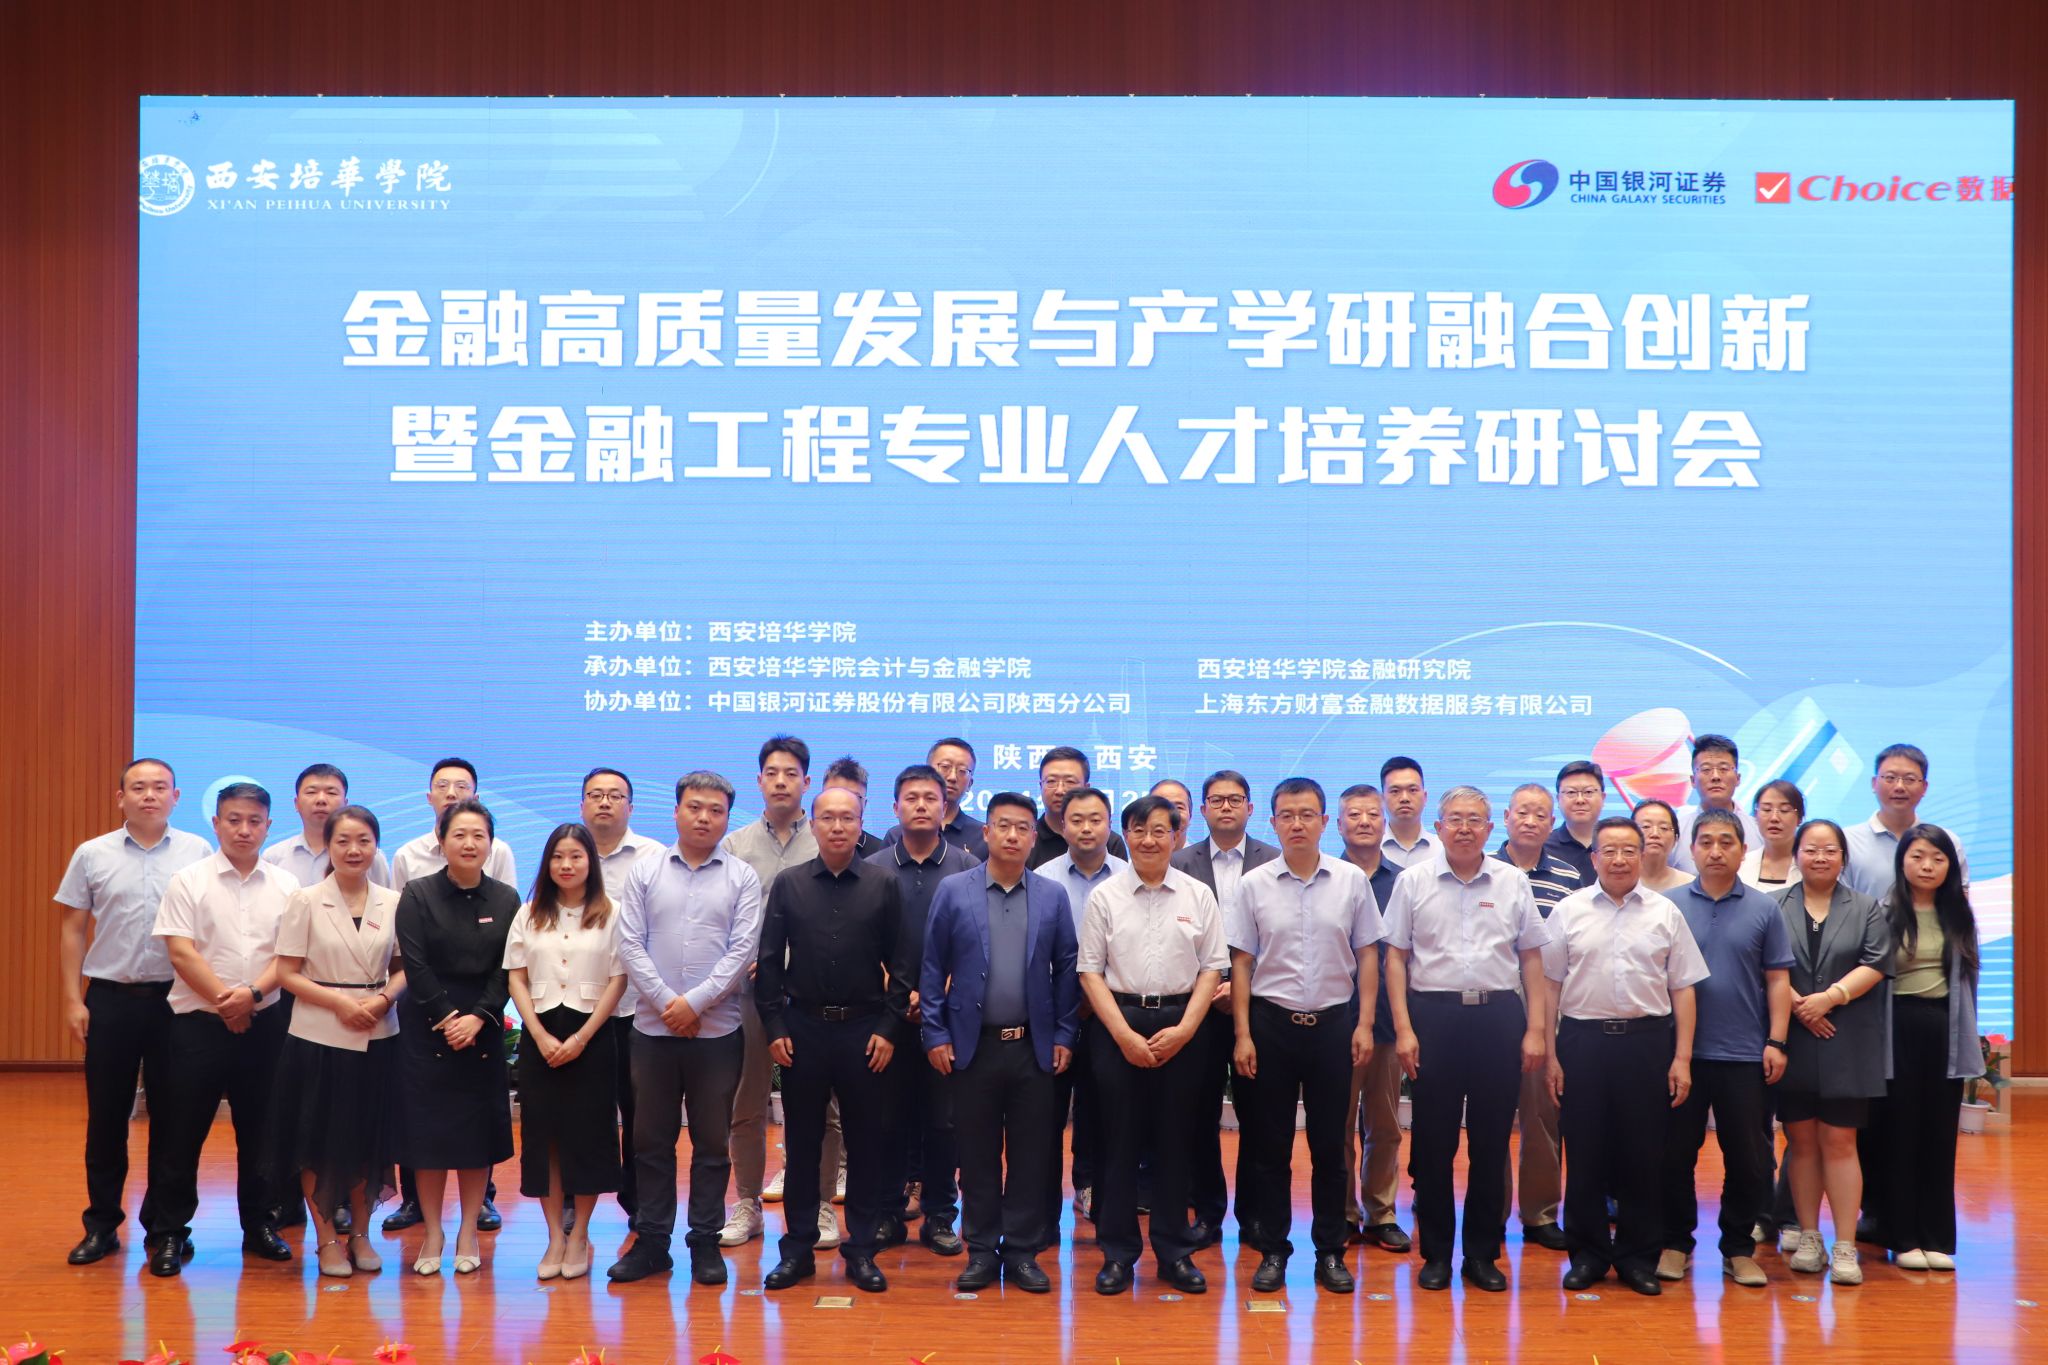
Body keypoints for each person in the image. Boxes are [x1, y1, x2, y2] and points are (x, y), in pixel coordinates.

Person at [1382, 787, 1550, 1293]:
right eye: (1455, 819)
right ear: (1438, 826)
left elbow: (1531, 957)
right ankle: (1435, 1254)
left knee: (1491, 1141)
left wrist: (1535, 1029)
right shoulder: (1413, 881)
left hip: (1498, 1017)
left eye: (1475, 820)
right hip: (1433, 1017)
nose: (1464, 828)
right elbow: (1395, 958)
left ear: (1489, 828)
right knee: (1433, 1144)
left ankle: (1481, 1254)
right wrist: (1404, 1028)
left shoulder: (1512, 881)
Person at [755, 786, 916, 1294]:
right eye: (828, 818)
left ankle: (862, 1249)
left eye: (848, 818)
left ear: (861, 822)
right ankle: (798, 1250)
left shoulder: (884, 884)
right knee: (803, 1146)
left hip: (865, 1031)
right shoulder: (790, 884)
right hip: (801, 1030)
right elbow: (768, 961)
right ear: (814, 823)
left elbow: (904, 965)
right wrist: (775, 1027)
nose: (838, 826)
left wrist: (889, 1029)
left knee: (866, 1145)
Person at [54, 757, 211, 1267]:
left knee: (174, 1118)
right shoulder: (92, 853)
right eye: (138, 787)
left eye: (159, 787)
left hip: (177, 1002)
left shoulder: (197, 851)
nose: (149, 795)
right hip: (111, 999)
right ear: (120, 797)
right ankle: (101, 1225)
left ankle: (167, 1230)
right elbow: (73, 929)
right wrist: (73, 999)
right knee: (106, 1117)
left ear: (176, 796)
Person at [921, 791, 1080, 1293]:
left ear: (1035, 837)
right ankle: (981, 1251)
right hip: (973, 1047)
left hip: (1033, 1047)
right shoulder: (954, 891)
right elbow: (932, 967)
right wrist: (935, 1032)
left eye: (1023, 828)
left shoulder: (1052, 895)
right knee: (977, 1155)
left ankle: (1023, 1251)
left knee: (1032, 1156)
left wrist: (1065, 1034)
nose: (1013, 836)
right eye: (1003, 826)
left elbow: (1067, 970)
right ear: (986, 832)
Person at [1544, 818, 1709, 1297]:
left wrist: (1682, 1058)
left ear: (1643, 855)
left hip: (1647, 1043)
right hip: (1583, 1043)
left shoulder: (1665, 912)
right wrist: (1551, 1054)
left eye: (1628, 851)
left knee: (1644, 1154)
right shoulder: (1569, 910)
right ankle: (1588, 1255)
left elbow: (1683, 989)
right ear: (1594, 858)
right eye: (1609, 851)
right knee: (1585, 1152)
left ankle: (1638, 1257)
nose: (1619, 860)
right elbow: (1549, 986)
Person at [1229, 777, 1382, 1295]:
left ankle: (1330, 1252)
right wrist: (1243, 1034)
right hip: (1271, 1026)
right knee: (1270, 1147)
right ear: (1272, 822)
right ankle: (1273, 1249)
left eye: (1307, 814)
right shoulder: (1253, 885)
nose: (1297, 823)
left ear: (1324, 822)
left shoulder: (1350, 881)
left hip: (1334, 1027)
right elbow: (1241, 963)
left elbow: (1368, 954)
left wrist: (1364, 1024)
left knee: (1329, 1147)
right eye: (1287, 815)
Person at [609, 772, 762, 1286]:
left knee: (712, 1143)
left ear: (727, 818)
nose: (704, 817)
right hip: (653, 1032)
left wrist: (693, 1004)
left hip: (717, 1033)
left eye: (716, 810)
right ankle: (653, 1242)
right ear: (676, 811)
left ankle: (704, 1243)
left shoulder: (742, 877)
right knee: (649, 1141)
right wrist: (668, 1004)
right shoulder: (645, 871)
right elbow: (630, 943)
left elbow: (742, 951)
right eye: (695, 807)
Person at [150, 781, 300, 1276]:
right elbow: (181, 951)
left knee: (262, 1131)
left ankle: (260, 1225)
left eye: (254, 821)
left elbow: (289, 957)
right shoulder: (189, 880)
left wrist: (250, 997)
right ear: (215, 823)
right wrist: (226, 1002)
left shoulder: (286, 886)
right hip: (198, 1025)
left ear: (268, 826)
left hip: (265, 1023)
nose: (243, 829)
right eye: (234, 820)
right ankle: (170, 1233)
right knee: (180, 1132)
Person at [1078, 795, 1226, 1296]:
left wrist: (1185, 1030)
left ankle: (1173, 1251)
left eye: (1160, 830)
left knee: (1175, 1141)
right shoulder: (1105, 896)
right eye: (1138, 830)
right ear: (1125, 835)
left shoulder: (1198, 894)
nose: (1148, 840)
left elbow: (1212, 968)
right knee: (1117, 1142)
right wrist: (1122, 1034)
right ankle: (1118, 1254)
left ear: (1176, 836)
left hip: (1182, 1024)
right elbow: (1089, 972)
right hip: (1118, 1021)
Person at [1657, 809, 1794, 1289]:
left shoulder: (1764, 908)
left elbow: (1778, 980)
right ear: (1692, 849)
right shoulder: (1667, 906)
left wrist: (1776, 1040)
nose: (1716, 851)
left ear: (1742, 849)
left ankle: (1738, 1248)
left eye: (1726, 842)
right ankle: (1675, 1243)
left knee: (1749, 1159)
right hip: (1681, 1055)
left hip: (1745, 1054)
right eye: (1706, 842)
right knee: (1674, 1155)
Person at [269, 804, 405, 1278]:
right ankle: (326, 1239)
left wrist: (384, 999)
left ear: (376, 846)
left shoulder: (393, 901)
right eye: (343, 840)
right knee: (318, 1141)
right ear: (327, 845)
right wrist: (340, 1004)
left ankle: (361, 1235)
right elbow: (286, 973)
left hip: (378, 1031)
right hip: (318, 1034)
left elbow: (403, 967)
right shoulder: (305, 899)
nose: (353, 850)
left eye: (363, 840)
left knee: (368, 1140)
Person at [384, 756, 515, 1234]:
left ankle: (469, 1227)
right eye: (459, 834)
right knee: (426, 1130)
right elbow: (414, 964)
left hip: (482, 1023)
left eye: (479, 835)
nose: (469, 843)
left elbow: (507, 965)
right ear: (441, 840)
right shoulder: (418, 893)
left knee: (478, 1130)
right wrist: (448, 1017)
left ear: (491, 843)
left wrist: (478, 1017)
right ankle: (432, 1229)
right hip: (427, 1023)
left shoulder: (506, 898)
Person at [720, 735, 838, 1252]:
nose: (781, 781)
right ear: (760, 780)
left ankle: (821, 1205)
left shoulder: (828, 838)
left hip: (814, 994)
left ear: (807, 782)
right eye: (772, 772)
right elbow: (725, 918)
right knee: (746, 1103)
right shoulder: (736, 845)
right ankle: (747, 1203)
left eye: (791, 773)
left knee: (823, 1108)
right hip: (751, 993)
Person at [1770, 819, 1892, 1286]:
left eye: (1830, 850)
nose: (1820, 857)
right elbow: (1764, 966)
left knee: (1840, 1142)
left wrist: (1829, 998)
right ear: (1796, 855)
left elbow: (1876, 962)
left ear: (1843, 857)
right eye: (1811, 849)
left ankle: (1844, 1245)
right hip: (1793, 1038)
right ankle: (1808, 1235)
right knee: (1800, 1142)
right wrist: (1801, 1006)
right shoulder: (1772, 905)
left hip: (1847, 1037)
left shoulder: (1865, 907)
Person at [504, 824, 628, 1281]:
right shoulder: (529, 912)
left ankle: (580, 1237)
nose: (567, 865)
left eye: (576, 856)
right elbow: (516, 976)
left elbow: (619, 979)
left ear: (590, 862)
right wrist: (536, 1034)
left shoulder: (612, 912)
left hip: (591, 1036)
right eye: (558, 857)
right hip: (541, 1035)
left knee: (588, 1137)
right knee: (545, 1139)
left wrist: (582, 1038)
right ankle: (555, 1236)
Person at [866, 764, 980, 1256]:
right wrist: (897, 992)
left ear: (944, 807)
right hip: (887, 1017)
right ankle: (888, 1215)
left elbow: (973, 940)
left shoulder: (967, 868)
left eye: (929, 798)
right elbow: (864, 939)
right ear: (895, 807)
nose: (920, 805)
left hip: (947, 1017)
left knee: (943, 1122)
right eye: (910, 797)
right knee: (887, 1120)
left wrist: (935, 991)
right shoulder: (873, 866)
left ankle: (939, 1216)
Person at [1173, 768, 1278, 1250]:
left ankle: (1254, 1217)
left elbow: (1282, 939)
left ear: (1251, 809)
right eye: (1217, 800)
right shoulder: (1180, 862)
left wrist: (1241, 985)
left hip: (1260, 1007)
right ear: (1202, 809)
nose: (1227, 807)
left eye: (1236, 799)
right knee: (1199, 1116)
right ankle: (1208, 1213)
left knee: (1259, 1116)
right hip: (1199, 1008)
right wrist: (1212, 985)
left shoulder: (1274, 860)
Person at [1869, 825, 1980, 1272]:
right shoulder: (1884, 912)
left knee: (1939, 1135)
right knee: (1899, 1134)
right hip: (1896, 1029)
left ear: (1950, 865)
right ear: (1902, 861)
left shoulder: (1959, 914)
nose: (1928, 866)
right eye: (1918, 856)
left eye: (1938, 858)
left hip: (1945, 1030)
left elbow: (1969, 984)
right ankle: (1902, 1237)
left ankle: (1936, 1238)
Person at [1494, 783, 1585, 1253]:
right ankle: (1490, 1210)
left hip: (1547, 1005)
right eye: (1522, 812)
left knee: (1543, 1113)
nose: (1530, 821)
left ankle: (1540, 1213)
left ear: (1552, 824)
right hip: (1491, 1005)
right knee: (1489, 1116)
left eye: (1540, 815)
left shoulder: (1570, 875)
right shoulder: (1483, 869)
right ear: (1506, 817)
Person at [1036, 785, 1127, 1237]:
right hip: (1054, 1012)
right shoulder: (1043, 878)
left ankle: (1094, 1193)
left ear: (1109, 825)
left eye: (1095, 820)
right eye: (1077, 820)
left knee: (1102, 1111)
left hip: (1112, 1014)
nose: (1086, 828)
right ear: (1062, 825)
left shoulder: (1129, 876)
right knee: (1046, 1115)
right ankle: (1042, 1209)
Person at [577, 767, 664, 1228]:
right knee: (583, 1109)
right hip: (578, 1005)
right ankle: (575, 1201)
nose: (605, 802)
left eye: (615, 795)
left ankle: (639, 1202)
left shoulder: (653, 856)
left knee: (640, 1113)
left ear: (631, 806)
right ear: (582, 805)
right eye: (596, 795)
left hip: (636, 1006)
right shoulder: (567, 854)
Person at [1335, 784, 1409, 1253]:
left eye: (1372, 814)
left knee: (1384, 1125)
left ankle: (1381, 1213)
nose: (1364, 822)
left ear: (1384, 823)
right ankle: (1343, 1213)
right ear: (1338, 823)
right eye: (1354, 814)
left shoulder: (1404, 881)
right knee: (1338, 1124)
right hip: (1336, 1023)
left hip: (1387, 1023)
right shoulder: (1328, 877)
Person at [1844, 744, 1970, 897]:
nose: (1899, 787)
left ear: (1924, 787)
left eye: (1910, 779)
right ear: (1874, 783)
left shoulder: (1948, 842)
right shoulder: (1846, 842)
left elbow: (1958, 903)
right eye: (1890, 778)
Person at [389, 757, 518, 890]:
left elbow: (507, 900)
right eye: (442, 786)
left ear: (475, 799)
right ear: (430, 798)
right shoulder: (407, 856)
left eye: (461, 786)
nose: (451, 794)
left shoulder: (498, 852)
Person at [263, 763, 393, 888]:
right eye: (311, 792)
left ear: (345, 803)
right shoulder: (274, 857)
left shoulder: (370, 857)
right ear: (296, 803)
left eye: (331, 793)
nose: (321, 800)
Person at [1670, 735, 1763, 873]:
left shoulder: (1759, 830)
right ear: (1693, 780)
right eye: (1706, 769)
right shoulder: (1676, 833)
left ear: (1738, 778)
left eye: (1723, 769)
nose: (1715, 777)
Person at [885, 738, 989, 857]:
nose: (952, 777)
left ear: (970, 783)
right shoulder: (896, 835)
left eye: (962, 771)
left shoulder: (983, 837)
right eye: (945, 767)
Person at [1029, 746, 1129, 868]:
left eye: (1070, 782)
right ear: (1041, 786)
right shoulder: (1028, 839)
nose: (1060, 790)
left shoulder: (1110, 842)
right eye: (1051, 781)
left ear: (1086, 788)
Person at [1547, 761, 1606, 882]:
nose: (1580, 800)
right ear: (1558, 799)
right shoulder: (1543, 847)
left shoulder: (1617, 845)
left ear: (1603, 798)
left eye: (1588, 792)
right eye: (1571, 792)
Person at [1740, 780, 1804, 891]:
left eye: (1784, 810)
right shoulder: (1741, 865)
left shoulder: (1811, 866)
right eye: (1766, 809)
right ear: (1755, 816)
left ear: (1800, 818)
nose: (1774, 818)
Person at [823, 756, 888, 857]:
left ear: (864, 804)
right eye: (835, 795)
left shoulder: (882, 853)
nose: (843, 804)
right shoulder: (806, 847)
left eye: (853, 797)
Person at [1378, 757, 1438, 864]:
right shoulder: (1370, 849)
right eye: (1395, 791)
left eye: (1412, 790)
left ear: (1425, 797)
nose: (1404, 798)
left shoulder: (1443, 850)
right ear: (1382, 799)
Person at [1633, 799, 1693, 893]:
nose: (1655, 834)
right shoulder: (1617, 883)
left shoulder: (1690, 885)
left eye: (1664, 828)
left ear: (1676, 839)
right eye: (1646, 826)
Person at [1150, 779, 1195, 853]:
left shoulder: (1206, 860)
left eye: (1179, 807)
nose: (1170, 814)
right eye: (1160, 807)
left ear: (1190, 815)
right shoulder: (1134, 860)